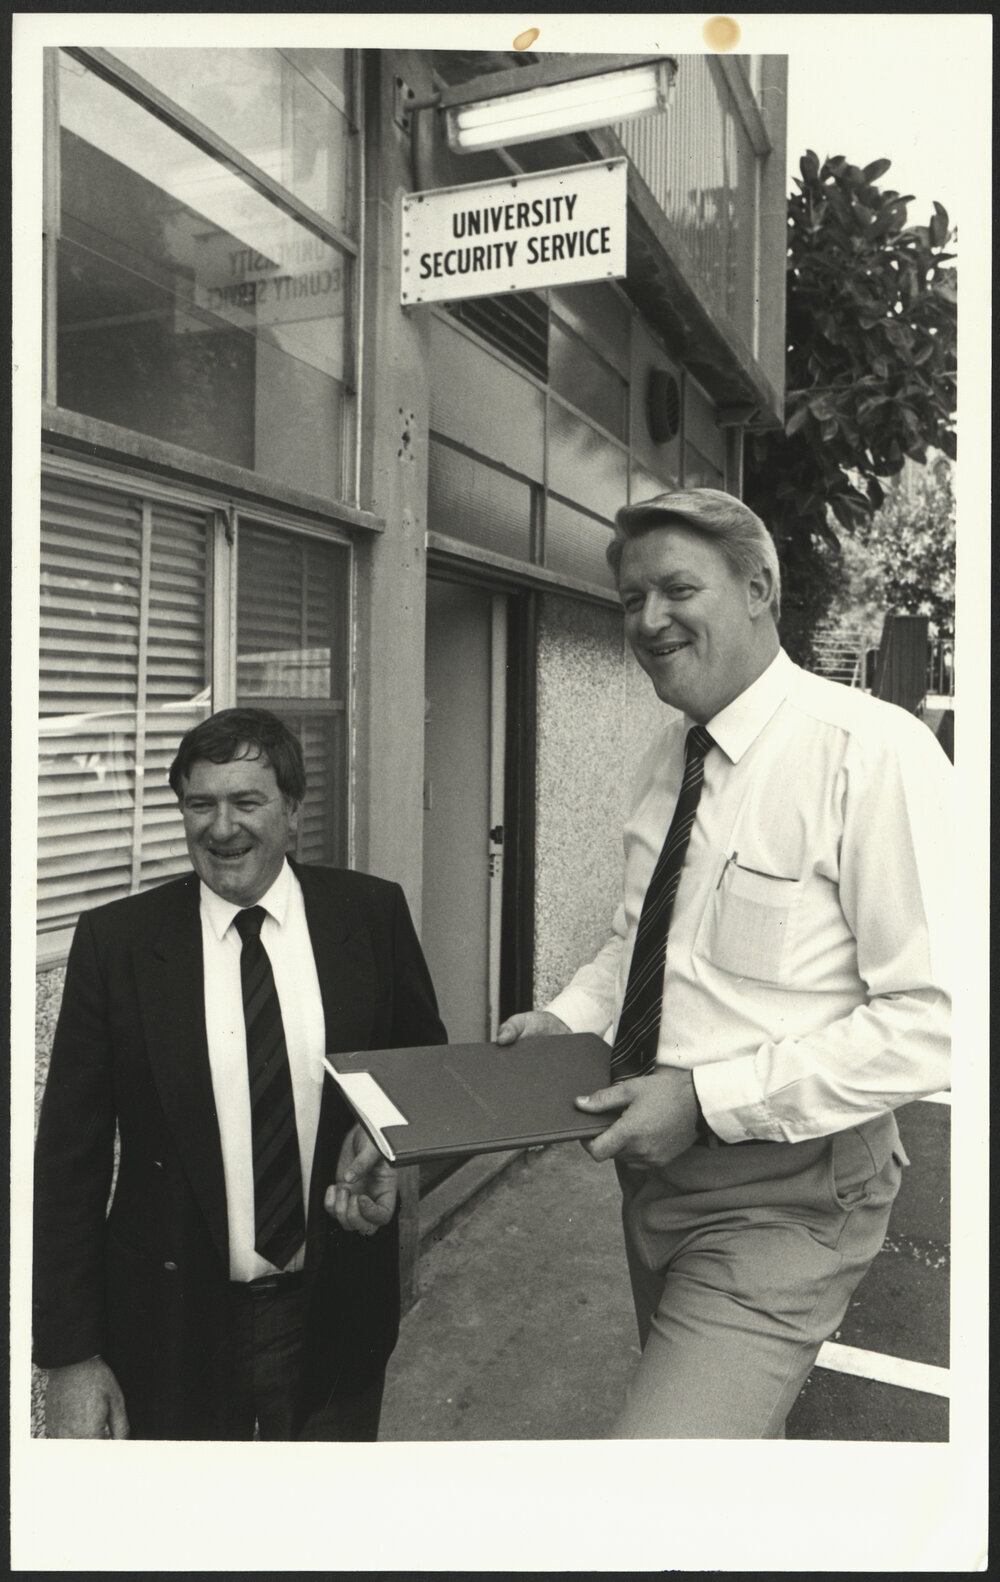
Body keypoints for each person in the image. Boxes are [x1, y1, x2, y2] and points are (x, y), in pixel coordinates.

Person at [498, 488, 951, 1439]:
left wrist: (703, 1100)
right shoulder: (669, 757)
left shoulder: (872, 754)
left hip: (793, 1193)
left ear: (758, 589)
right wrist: (570, 1017)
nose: (648, 621)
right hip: (656, 1181)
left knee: (656, 1491)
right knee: (730, 1459)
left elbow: (940, 1016)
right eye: (630, 600)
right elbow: (641, 944)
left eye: (675, 589)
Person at [33, 707, 446, 1440]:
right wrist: (70, 1360)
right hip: (170, 1323)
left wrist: (388, 1156)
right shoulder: (117, 944)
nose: (221, 828)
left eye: (246, 802)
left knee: (319, 1539)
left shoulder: (370, 916)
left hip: (334, 1312)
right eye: (200, 804)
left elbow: (426, 1083)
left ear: (291, 808)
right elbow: (69, 1163)